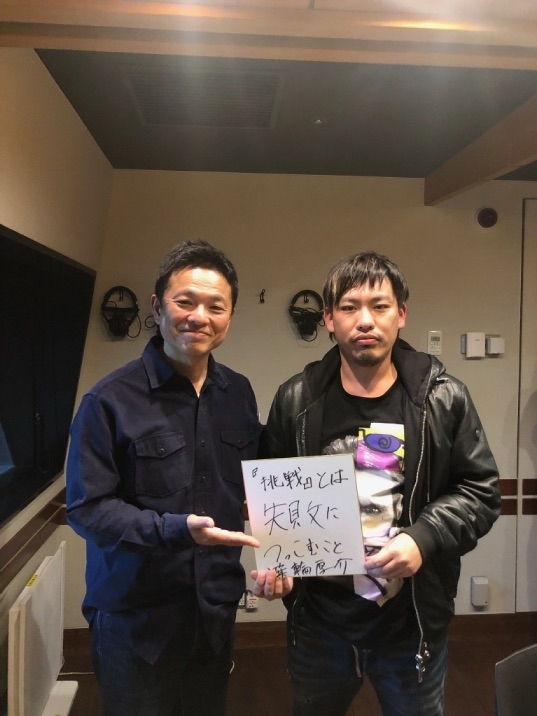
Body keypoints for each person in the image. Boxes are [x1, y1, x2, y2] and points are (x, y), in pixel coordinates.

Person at [251, 250, 501, 716]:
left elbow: (481, 492)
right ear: (329, 319)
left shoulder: (442, 397)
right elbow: (275, 502)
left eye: (380, 306)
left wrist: (423, 538)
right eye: (349, 307)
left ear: (401, 314)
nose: (365, 320)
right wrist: (278, 566)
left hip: (411, 622)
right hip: (319, 624)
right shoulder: (295, 400)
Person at [66, 240, 262, 716]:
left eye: (216, 306)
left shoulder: (238, 392)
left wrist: (281, 547)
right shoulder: (108, 400)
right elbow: (87, 509)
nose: (200, 317)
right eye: (185, 302)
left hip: (214, 611)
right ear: (157, 307)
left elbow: (253, 487)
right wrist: (176, 530)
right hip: (136, 620)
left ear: (230, 316)